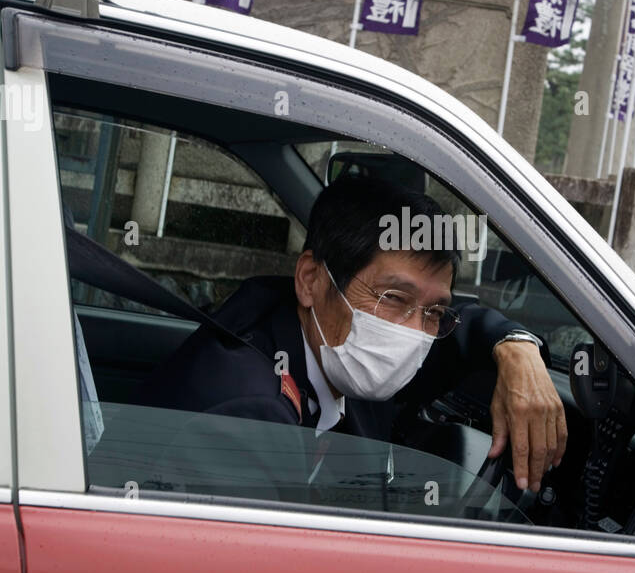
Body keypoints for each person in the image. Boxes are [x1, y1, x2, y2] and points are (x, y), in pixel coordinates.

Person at [139, 176, 567, 492]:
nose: (412, 335)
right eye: (393, 297)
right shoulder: (248, 416)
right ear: (311, 280)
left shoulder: (342, 344)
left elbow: (464, 323)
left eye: (435, 310)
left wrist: (517, 350)